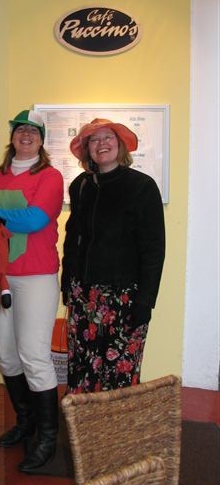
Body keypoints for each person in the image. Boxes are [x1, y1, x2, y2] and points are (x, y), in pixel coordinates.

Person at [0, 109, 64, 474]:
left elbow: (35, 219)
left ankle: (48, 437)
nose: (26, 136)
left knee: (33, 354)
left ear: (42, 139)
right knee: (7, 354)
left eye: (34, 131)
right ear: (13, 136)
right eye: (21, 130)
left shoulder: (50, 176)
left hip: (35, 277)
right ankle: (26, 422)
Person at [61, 118, 165, 393]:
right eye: (94, 140)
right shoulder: (80, 186)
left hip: (125, 299)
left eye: (108, 137)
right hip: (84, 295)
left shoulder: (142, 187)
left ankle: (117, 424)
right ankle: (84, 422)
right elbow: (73, 237)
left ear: (120, 145)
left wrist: (145, 302)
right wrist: (67, 283)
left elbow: (154, 249)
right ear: (87, 150)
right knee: (82, 369)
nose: (102, 143)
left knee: (120, 374)